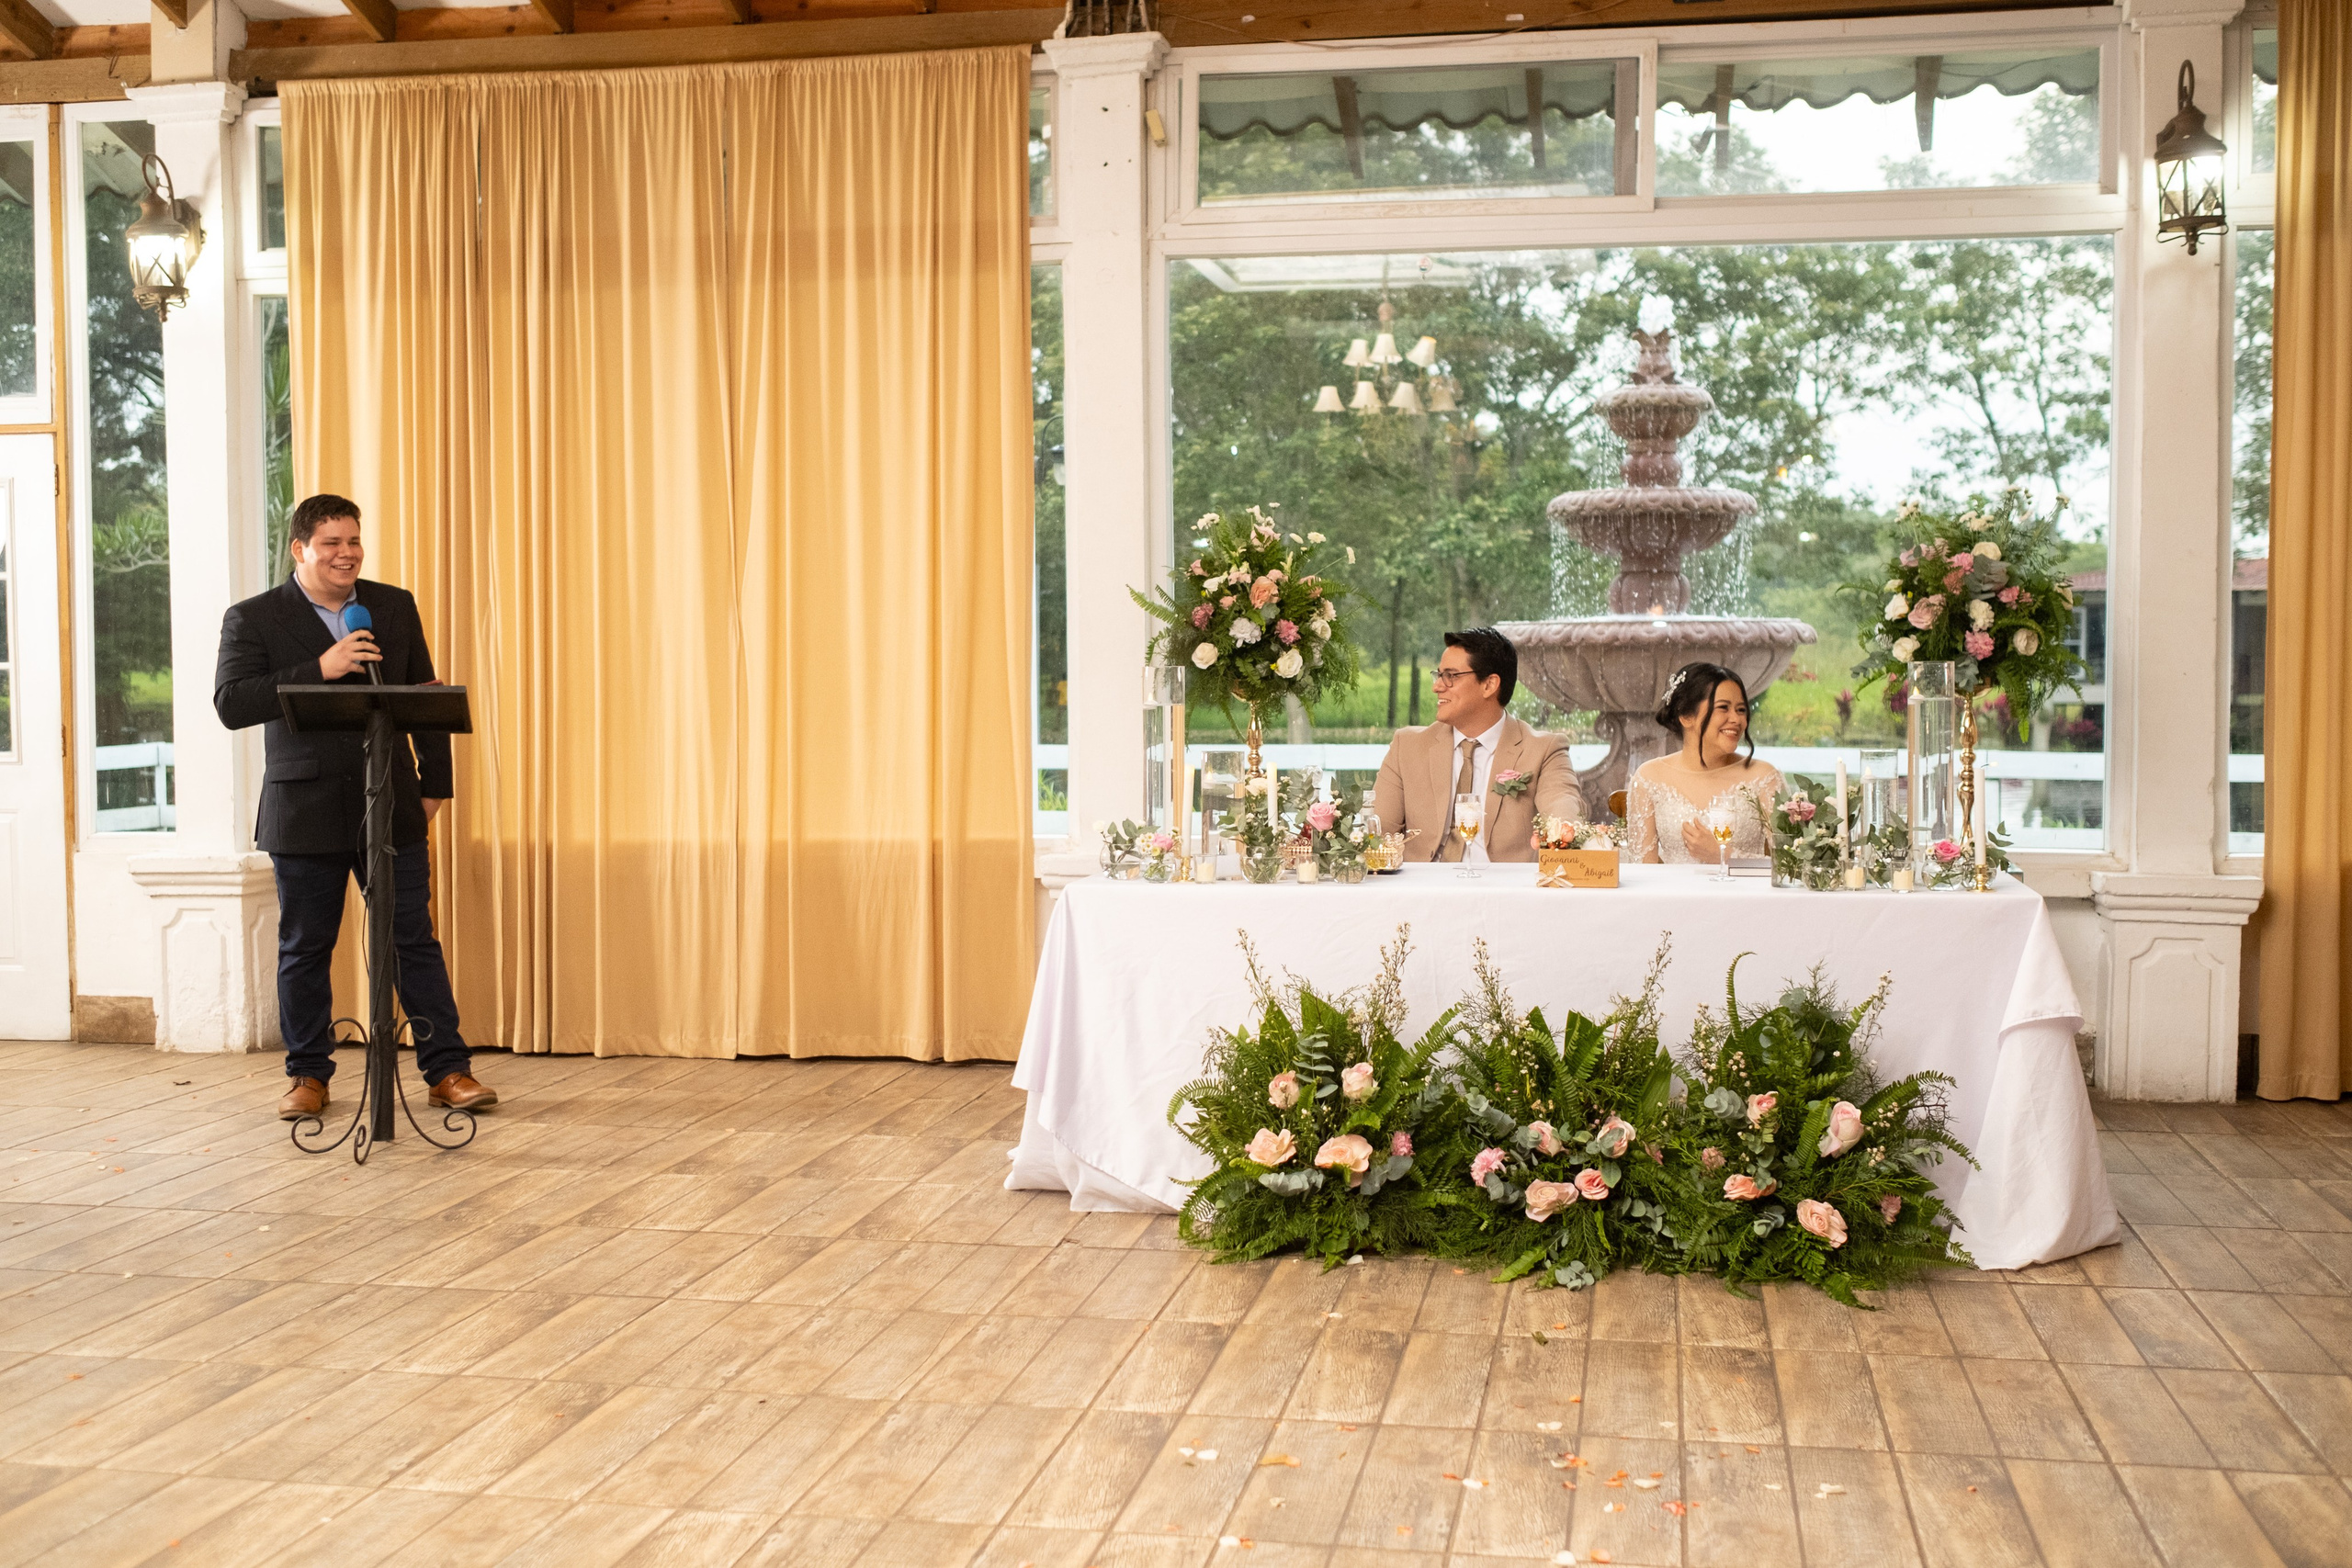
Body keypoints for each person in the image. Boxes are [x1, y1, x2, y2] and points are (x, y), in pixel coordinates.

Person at [213, 494, 497, 1121]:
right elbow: (232, 702)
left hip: (391, 800)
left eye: (353, 541)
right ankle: (308, 1075)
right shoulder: (254, 617)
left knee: (412, 938)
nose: (346, 554)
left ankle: (448, 1070)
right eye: (331, 543)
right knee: (305, 946)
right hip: (302, 808)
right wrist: (320, 666)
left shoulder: (391, 606)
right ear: (299, 549)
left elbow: (424, 692)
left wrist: (435, 784)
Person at [1373, 626, 1579, 864]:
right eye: (1438, 675)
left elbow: (1564, 815)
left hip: (1504, 885)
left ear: (1489, 685)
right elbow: (1376, 833)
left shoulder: (1544, 750)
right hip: (1421, 883)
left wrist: (1562, 831)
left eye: (1451, 676)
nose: (1437, 686)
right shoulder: (1407, 746)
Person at [1626, 660, 1785, 864]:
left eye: (1741, 710)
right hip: (1673, 887)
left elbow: (1790, 867)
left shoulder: (1764, 777)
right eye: (1723, 708)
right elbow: (1642, 870)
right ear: (1686, 716)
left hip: (1745, 887)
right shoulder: (1649, 778)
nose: (1736, 719)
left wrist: (1723, 856)